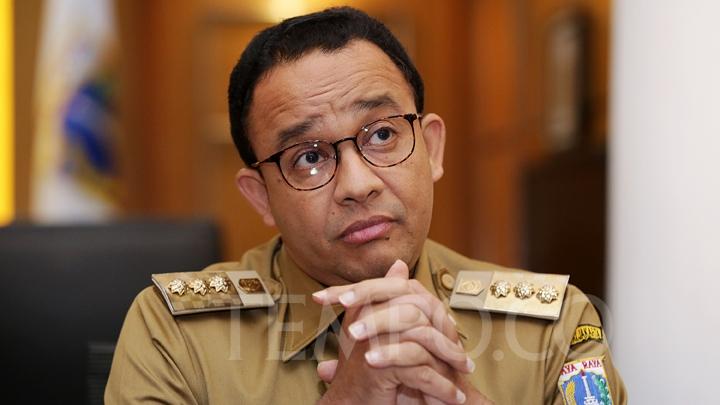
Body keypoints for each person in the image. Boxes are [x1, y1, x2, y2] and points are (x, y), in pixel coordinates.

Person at [105, 6, 626, 404]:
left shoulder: (554, 325)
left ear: (432, 149)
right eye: (309, 157)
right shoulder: (175, 333)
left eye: (381, 134)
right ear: (261, 195)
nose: (357, 184)